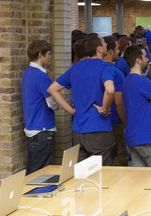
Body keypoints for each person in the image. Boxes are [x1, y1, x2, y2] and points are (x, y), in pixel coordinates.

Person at [48, 33, 116, 166]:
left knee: (83, 175)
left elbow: (52, 89)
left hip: (78, 131)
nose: (106, 44)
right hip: (99, 130)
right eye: (104, 43)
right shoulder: (105, 67)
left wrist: (71, 110)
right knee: (103, 176)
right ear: (99, 48)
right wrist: (104, 109)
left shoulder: (76, 68)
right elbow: (110, 89)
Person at [122, 45, 151, 167]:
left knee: (140, 179)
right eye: (145, 56)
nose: (148, 59)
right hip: (146, 137)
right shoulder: (144, 82)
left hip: (132, 137)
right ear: (138, 60)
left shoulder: (126, 82)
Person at [22, 40, 59, 175]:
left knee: (33, 168)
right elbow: (52, 103)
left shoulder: (27, 73)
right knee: (40, 172)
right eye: (48, 54)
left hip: (32, 127)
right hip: (43, 128)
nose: (50, 57)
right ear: (40, 55)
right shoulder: (42, 76)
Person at [103, 36, 128, 166]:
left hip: (98, 127)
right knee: (119, 161)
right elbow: (119, 103)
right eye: (118, 49)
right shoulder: (116, 74)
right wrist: (126, 123)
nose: (119, 52)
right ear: (111, 51)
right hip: (115, 123)